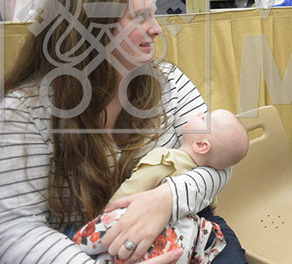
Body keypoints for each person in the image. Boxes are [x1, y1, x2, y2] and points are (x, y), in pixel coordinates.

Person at [0, 0, 247, 263]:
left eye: (153, 15)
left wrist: (166, 199)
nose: (156, 28)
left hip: (186, 226)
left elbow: (220, 163)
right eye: (140, 17)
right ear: (89, 29)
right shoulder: (24, 111)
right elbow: (16, 230)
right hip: (83, 249)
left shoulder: (169, 81)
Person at [73, 109, 249, 263]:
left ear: (201, 145)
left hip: (169, 229)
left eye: (204, 118)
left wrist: (107, 213)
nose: (199, 113)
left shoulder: (164, 160)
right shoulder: (210, 171)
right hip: (198, 227)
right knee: (230, 252)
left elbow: (129, 191)